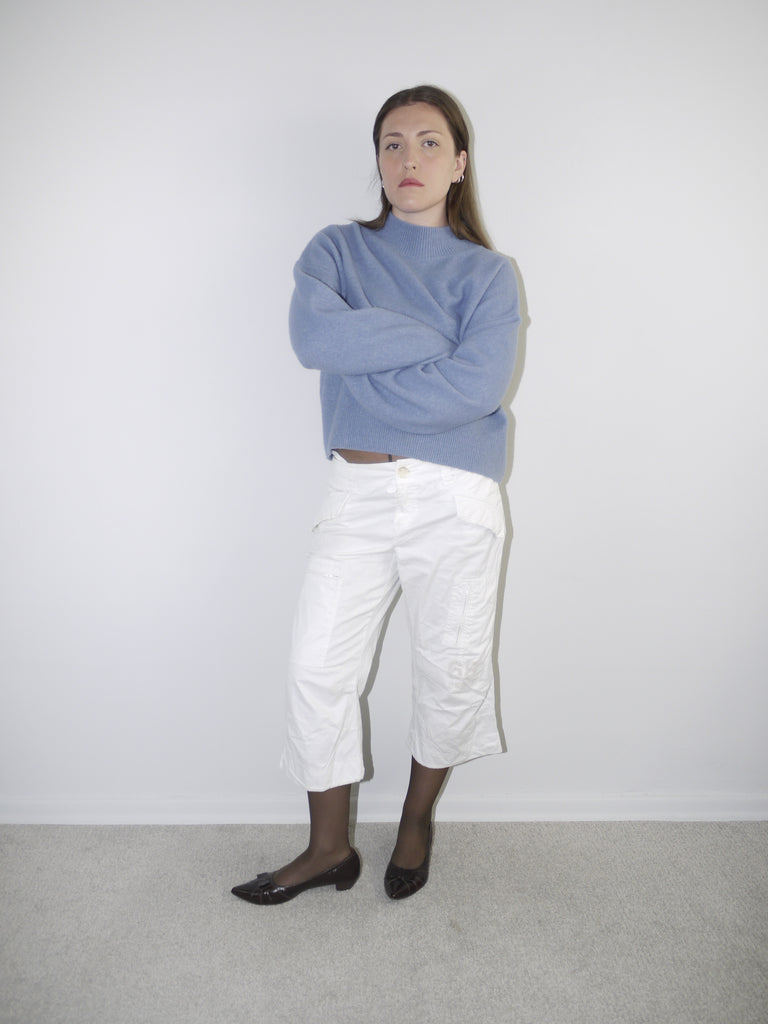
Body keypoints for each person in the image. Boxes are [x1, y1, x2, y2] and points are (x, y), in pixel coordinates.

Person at [232, 85, 520, 905]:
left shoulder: (492, 276)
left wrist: (375, 373)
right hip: (356, 491)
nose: (409, 160)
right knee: (316, 666)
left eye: (430, 143)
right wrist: (434, 343)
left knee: (451, 668)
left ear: (460, 164)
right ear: (378, 161)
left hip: (456, 494)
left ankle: (416, 822)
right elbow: (315, 338)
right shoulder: (336, 251)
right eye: (392, 144)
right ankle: (328, 848)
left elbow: (478, 388)